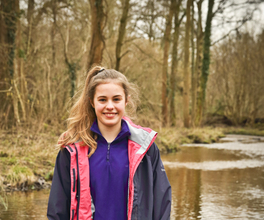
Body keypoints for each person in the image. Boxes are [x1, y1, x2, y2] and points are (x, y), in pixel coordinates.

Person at [47, 66, 171, 220]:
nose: (110, 106)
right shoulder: (72, 150)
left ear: (126, 100)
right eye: (102, 99)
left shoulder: (145, 148)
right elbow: (57, 209)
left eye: (116, 99)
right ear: (92, 102)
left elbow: (162, 203)